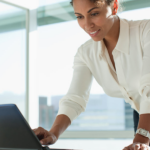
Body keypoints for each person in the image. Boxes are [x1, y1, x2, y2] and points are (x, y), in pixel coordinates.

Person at [33, 0, 150, 149]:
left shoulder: (146, 31)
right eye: (79, 17)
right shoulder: (85, 53)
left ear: (114, 6)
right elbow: (75, 99)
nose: (87, 25)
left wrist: (141, 139)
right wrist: (53, 133)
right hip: (143, 120)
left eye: (94, 14)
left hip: (144, 128)